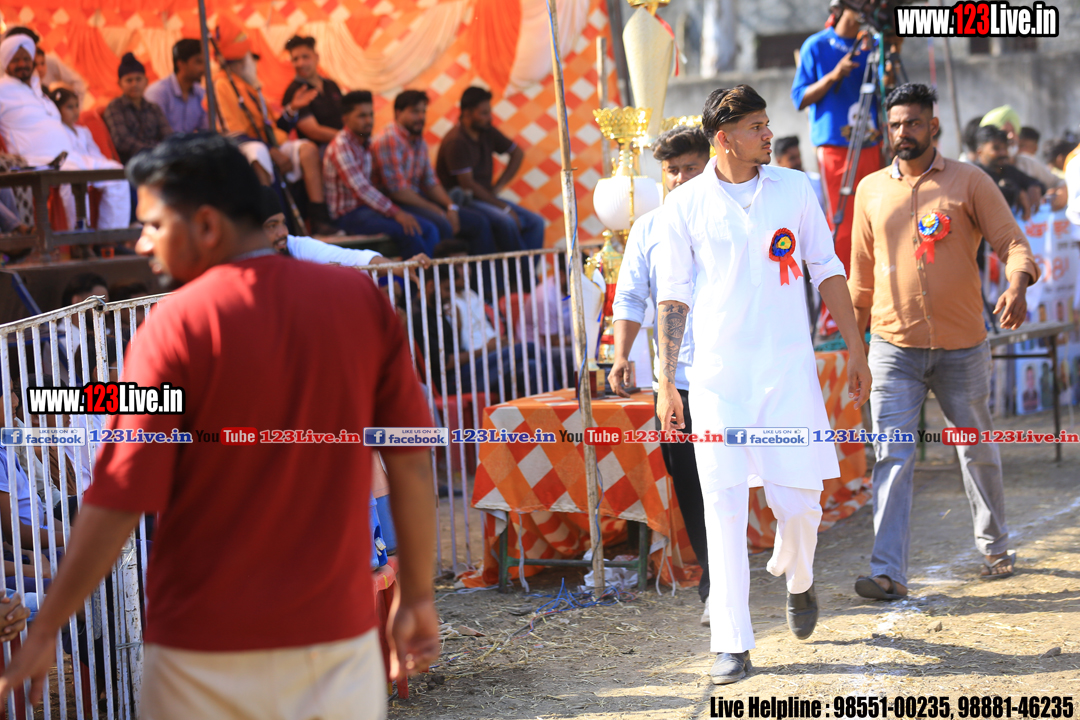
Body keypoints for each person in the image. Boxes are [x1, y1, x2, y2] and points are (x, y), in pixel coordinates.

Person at [0, 133, 440, 717]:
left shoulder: (176, 325)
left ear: (206, 224)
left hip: (205, 646)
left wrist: (49, 622)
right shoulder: (359, 301)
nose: (141, 242)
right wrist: (419, 596)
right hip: (337, 640)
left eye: (153, 225)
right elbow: (411, 459)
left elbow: (118, 496)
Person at [655, 85, 871, 684]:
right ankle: (732, 642)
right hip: (717, 383)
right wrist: (667, 380)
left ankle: (799, 577)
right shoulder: (684, 205)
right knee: (722, 505)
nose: (768, 134)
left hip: (787, 376)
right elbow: (672, 296)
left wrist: (857, 350)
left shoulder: (794, 189)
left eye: (767, 123)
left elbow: (826, 268)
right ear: (724, 139)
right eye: (756, 127)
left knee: (799, 505)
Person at [848, 83, 1039, 601]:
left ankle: (995, 547)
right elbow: (859, 279)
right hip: (892, 346)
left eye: (912, 123)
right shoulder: (869, 190)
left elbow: (1013, 243)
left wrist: (1018, 284)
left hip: (963, 346)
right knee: (892, 455)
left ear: (933, 125)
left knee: (976, 449)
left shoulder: (970, 180)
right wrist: (855, 351)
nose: (902, 133)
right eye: (895, 125)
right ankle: (887, 572)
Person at [609, 124, 712, 624]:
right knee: (688, 479)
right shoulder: (648, 228)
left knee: (742, 474)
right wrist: (620, 354)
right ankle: (715, 581)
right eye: (672, 170)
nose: (681, 178)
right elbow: (629, 295)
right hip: (675, 383)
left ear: (710, 165)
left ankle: (775, 562)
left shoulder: (729, 219)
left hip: (731, 375)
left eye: (691, 167)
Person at [213, 19, 336, 235]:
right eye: (251, 58)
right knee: (259, 152)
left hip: (268, 143)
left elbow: (273, 128)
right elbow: (235, 133)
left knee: (307, 149)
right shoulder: (222, 85)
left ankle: (318, 219)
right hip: (245, 146)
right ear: (240, 62)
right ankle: (271, 221)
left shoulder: (251, 86)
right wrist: (271, 150)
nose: (255, 64)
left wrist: (292, 109)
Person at [0, 35, 131, 230]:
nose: (22, 64)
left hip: (70, 156)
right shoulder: (3, 89)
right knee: (73, 178)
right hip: (38, 160)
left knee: (117, 174)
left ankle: (110, 239)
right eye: (15, 60)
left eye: (26, 59)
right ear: (5, 62)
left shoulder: (39, 91)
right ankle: (79, 240)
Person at [791, 0, 884, 273]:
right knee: (842, 222)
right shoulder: (816, 45)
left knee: (877, 216)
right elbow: (799, 97)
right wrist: (834, 75)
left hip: (872, 142)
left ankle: (874, 286)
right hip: (835, 145)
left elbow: (886, 90)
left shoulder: (875, 44)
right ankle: (844, 289)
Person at [372, 90, 495, 255]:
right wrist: (435, 209)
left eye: (423, 112)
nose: (421, 117)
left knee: (479, 222)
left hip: (415, 198)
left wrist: (451, 207)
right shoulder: (389, 139)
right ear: (398, 113)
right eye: (415, 112)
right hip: (394, 204)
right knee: (442, 223)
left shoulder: (418, 140)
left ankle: (476, 272)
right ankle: (441, 271)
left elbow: (431, 182)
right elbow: (398, 191)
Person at [324, 91, 440, 257]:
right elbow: (362, 190)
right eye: (362, 116)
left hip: (369, 210)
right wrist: (396, 213)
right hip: (348, 215)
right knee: (409, 231)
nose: (369, 120)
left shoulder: (365, 143)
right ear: (345, 119)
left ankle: (432, 273)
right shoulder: (341, 146)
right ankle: (420, 274)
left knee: (428, 229)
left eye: (371, 115)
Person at [436, 86, 545, 251]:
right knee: (506, 221)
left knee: (536, 222)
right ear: (467, 113)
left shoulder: (486, 131)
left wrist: (499, 186)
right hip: (465, 201)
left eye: (489, 112)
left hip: (486, 196)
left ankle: (523, 266)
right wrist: (504, 207)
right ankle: (519, 266)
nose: (490, 117)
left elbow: (517, 153)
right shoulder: (456, 141)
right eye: (484, 113)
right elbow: (468, 186)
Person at [259, 184, 430, 270]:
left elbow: (351, 258)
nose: (282, 233)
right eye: (272, 226)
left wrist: (398, 268)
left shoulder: (295, 246)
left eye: (283, 223)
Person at [102, 53, 173, 165]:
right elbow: (122, 141)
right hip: (132, 163)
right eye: (129, 80)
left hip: (158, 159)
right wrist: (155, 151)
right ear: (120, 84)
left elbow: (168, 135)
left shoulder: (153, 108)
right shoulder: (115, 108)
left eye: (138, 79)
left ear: (146, 81)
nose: (134, 84)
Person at [282, 35, 344, 148]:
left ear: (316, 57)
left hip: (344, 144)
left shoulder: (331, 85)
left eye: (305, 57)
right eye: (295, 59)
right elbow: (313, 131)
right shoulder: (294, 91)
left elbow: (346, 116)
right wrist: (348, 138)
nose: (300, 64)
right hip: (320, 149)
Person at [972, 125, 1043, 220]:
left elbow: (1035, 183)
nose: (1003, 153)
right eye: (996, 148)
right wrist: (1017, 193)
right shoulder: (974, 175)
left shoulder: (1008, 170)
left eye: (1005, 148)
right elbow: (991, 196)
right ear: (980, 152)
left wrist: (1034, 187)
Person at [3, 27, 86, 102]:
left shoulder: (46, 61)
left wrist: (71, 109)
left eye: (30, 49)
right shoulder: (5, 88)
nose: (22, 64)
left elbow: (78, 83)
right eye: (16, 59)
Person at [144, 39, 209, 135]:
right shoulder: (158, 93)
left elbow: (205, 132)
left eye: (205, 62)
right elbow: (152, 135)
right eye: (198, 62)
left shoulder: (200, 93)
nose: (203, 68)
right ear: (181, 64)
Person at [773, 135, 826, 214]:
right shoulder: (773, 191)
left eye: (799, 156)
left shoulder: (818, 182)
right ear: (779, 161)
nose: (798, 162)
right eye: (792, 158)